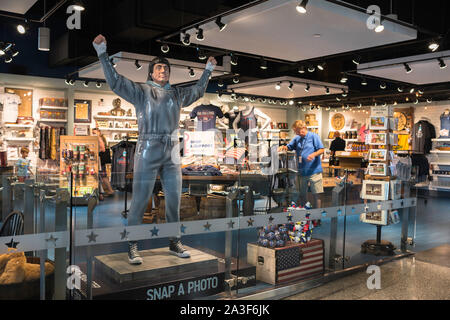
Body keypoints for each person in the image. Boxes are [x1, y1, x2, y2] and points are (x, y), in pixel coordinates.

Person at [92, 34, 217, 265]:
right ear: (151, 72)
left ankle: (174, 241)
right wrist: (102, 54)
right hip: (147, 148)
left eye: (166, 68)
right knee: (139, 200)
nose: (163, 71)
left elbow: (198, 91)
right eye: (159, 67)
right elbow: (116, 82)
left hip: (171, 150)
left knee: (174, 199)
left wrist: (208, 70)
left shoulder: (177, 94)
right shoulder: (141, 92)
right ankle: (132, 244)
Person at [278, 120, 324, 209]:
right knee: (302, 194)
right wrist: (283, 147)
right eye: (296, 132)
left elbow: (321, 149)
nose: (297, 133)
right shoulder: (297, 138)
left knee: (317, 194)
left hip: (315, 171)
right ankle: (304, 214)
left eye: (298, 131)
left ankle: (317, 216)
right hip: (302, 172)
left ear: (303, 128)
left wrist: (313, 154)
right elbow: (289, 147)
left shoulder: (314, 136)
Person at [92, 127, 114, 200]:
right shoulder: (101, 138)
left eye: (94, 133)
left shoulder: (99, 138)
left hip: (100, 160)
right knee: (103, 176)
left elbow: (103, 149)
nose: (93, 134)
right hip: (101, 160)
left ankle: (109, 191)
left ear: (98, 132)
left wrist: (95, 150)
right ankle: (107, 191)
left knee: (103, 176)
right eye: (93, 133)